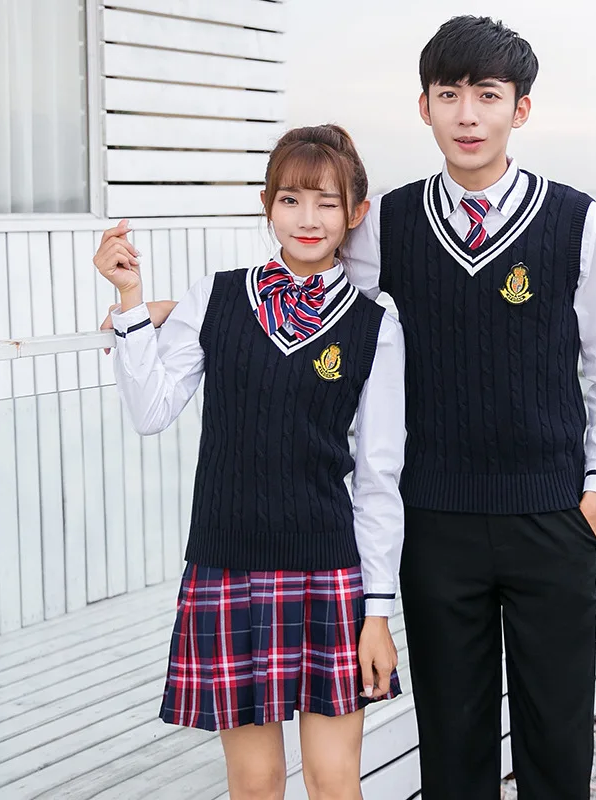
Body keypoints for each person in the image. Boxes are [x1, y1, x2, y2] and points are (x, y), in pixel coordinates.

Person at [105, 16, 596, 799]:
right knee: (452, 738)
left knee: (557, 734)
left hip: (551, 517)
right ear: (423, 106)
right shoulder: (387, 218)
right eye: (449, 93)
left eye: (487, 96)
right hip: (434, 521)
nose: (468, 114)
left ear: (519, 111)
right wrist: (166, 311)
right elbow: (310, 282)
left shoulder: (575, 220)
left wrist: (595, 500)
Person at [94, 124, 406, 800]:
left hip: (330, 573)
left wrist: (378, 611)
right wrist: (129, 300)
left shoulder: (374, 324)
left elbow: (380, 480)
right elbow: (151, 410)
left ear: (356, 213)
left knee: (333, 783)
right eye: (291, 199)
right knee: (257, 783)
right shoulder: (216, 296)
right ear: (267, 204)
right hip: (229, 564)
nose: (308, 218)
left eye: (327, 202)